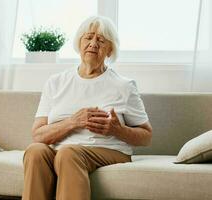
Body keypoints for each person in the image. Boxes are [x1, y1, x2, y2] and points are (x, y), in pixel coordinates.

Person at [22, 15, 152, 200]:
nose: (93, 44)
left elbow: (146, 136)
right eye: (88, 37)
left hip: (108, 151)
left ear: (110, 50)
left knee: (68, 153)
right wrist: (73, 122)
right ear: (79, 43)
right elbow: (38, 134)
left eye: (101, 40)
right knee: (35, 151)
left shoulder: (123, 86)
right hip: (63, 150)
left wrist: (118, 130)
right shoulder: (56, 82)